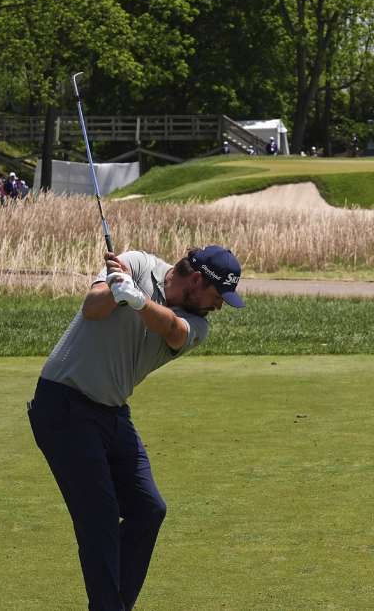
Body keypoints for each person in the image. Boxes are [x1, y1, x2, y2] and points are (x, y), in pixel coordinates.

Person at [29, 245, 245, 611]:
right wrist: (117, 290)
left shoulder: (198, 324)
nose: (219, 305)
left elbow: (174, 331)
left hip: (111, 412)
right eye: (218, 295)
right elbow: (91, 307)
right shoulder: (138, 263)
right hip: (62, 405)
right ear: (196, 280)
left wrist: (139, 300)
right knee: (99, 519)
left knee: (148, 509)